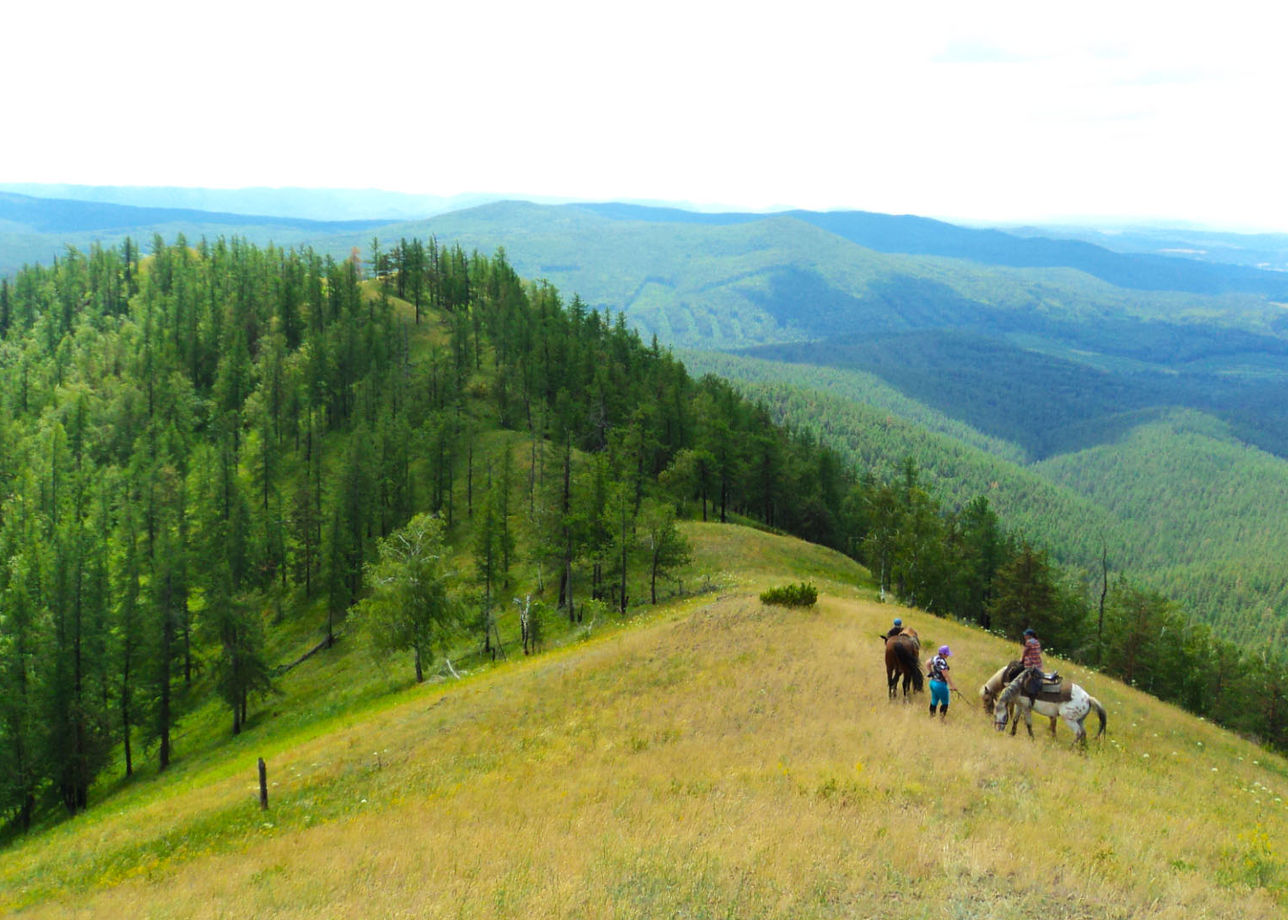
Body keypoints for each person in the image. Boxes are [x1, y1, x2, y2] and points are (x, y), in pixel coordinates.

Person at [927, 645, 957, 718]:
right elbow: (945, 675)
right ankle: (942, 719)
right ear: (943, 654)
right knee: (945, 702)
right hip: (940, 685)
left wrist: (931, 672)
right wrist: (952, 686)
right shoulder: (942, 662)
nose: (947, 655)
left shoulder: (935, 658)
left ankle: (931, 717)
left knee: (934, 700)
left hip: (932, 683)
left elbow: (927, 663)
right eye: (947, 654)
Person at [1021, 628, 1043, 697]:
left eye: (1025, 635)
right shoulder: (1037, 642)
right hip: (1038, 665)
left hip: (1030, 664)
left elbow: (1025, 653)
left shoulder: (1029, 642)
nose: (1024, 636)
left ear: (1029, 636)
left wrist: (1021, 660)